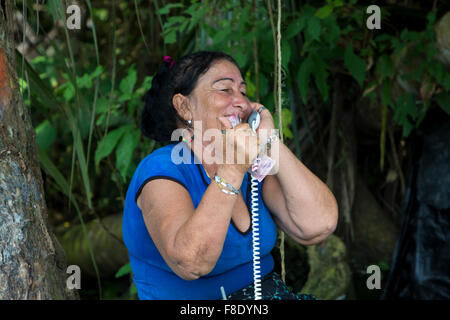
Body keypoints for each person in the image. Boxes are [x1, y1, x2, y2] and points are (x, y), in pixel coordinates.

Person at [122, 51, 338, 300]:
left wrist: (270, 141)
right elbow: (191, 262)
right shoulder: (161, 170)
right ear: (184, 106)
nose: (242, 104)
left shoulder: (252, 167)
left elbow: (318, 225)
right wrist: (233, 167)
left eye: (243, 93)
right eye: (225, 90)